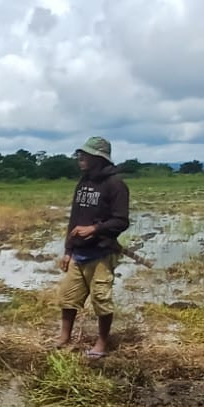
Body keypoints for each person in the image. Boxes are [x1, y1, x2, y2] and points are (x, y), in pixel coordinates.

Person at [57, 136, 130, 359]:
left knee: (101, 300)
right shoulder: (84, 182)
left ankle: (102, 342)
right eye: (80, 154)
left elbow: (121, 221)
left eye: (85, 155)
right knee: (67, 298)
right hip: (78, 254)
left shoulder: (115, 185)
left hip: (101, 253)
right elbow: (75, 219)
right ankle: (64, 337)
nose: (80, 158)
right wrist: (68, 251)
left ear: (99, 158)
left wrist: (94, 229)